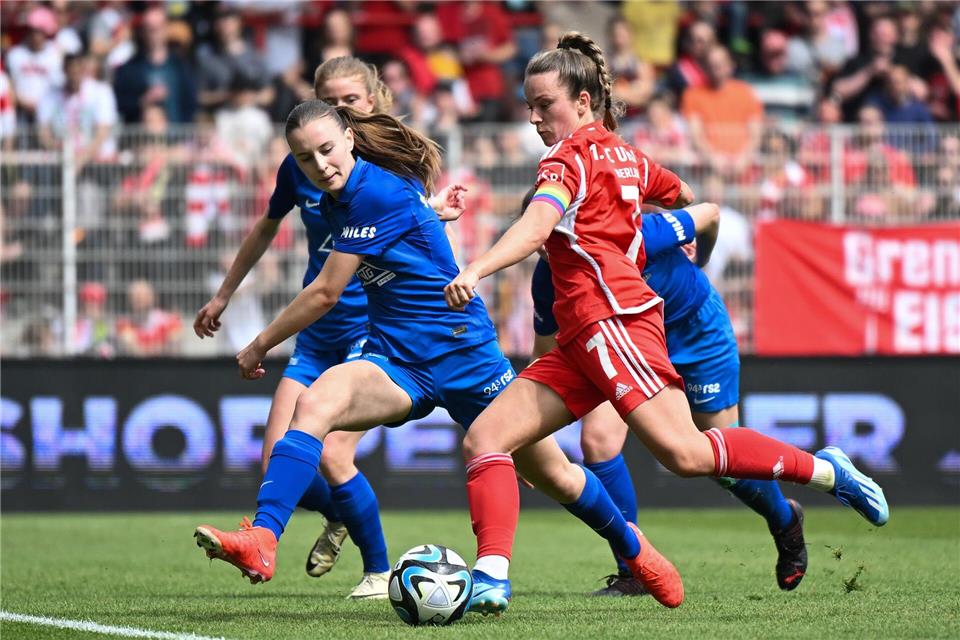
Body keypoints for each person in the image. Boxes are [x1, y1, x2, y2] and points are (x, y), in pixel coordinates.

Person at [444, 31, 889, 615]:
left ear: (582, 102)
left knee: (686, 455)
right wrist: (678, 238)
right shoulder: (627, 157)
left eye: (543, 104)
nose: (532, 117)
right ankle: (492, 578)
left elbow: (535, 226)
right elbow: (685, 197)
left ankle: (826, 471)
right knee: (487, 438)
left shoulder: (566, 158)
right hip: (586, 336)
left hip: (616, 322)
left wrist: (476, 267)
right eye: (527, 106)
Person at [193, 101, 683, 617]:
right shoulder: (349, 191)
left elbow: (326, 293)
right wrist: (431, 213)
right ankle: (263, 538)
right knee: (315, 405)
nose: (319, 165)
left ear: (351, 141)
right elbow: (405, 222)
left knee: (554, 474)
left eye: (327, 150)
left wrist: (258, 343)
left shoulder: (372, 192)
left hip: (465, 355)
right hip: (398, 359)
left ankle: (637, 553)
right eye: (306, 158)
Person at [193, 56, 466, 601]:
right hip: (318, 328)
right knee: (278, 460)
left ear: (369, 104)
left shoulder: (389, 167)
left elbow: (411, 226)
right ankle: (330, 519)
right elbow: (266, 227)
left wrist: (438, 222)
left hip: (372, 321)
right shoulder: (300, 164)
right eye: (329, 99)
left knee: (336, 454)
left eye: (350, 101)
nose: (341, 108)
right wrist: (225, 293)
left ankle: (377, 570)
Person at [528, 190, 807, 595]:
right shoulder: (548, 278)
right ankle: (632, 570)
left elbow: (709, 214)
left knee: (723, 461)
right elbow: (545, 355)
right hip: (626, 341)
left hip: (692, 331)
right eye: (538, 244)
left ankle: (784, 520)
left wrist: (702, 258)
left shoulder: (636, 233)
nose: (548, 251)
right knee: (599, 440)